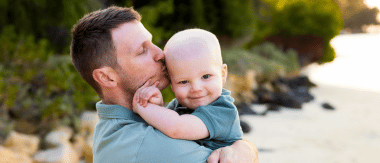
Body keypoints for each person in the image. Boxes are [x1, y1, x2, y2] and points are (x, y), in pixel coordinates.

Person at [70, 6, 258, 163]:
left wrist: (244, 147)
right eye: (142, 50)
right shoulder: (142, 145)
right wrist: (246, 150)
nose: (160, 54)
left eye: (152, 43)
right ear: (107, 77)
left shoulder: (123, 127)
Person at [133, 28, 242, 150]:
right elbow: (161, 129)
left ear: (222, 74)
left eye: (206, 76)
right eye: (184, 82)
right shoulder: (178, 105)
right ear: (172, 84)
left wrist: (142, 106)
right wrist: (157, 105)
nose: (196, 88)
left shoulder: (223, 111)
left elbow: (176, 128)